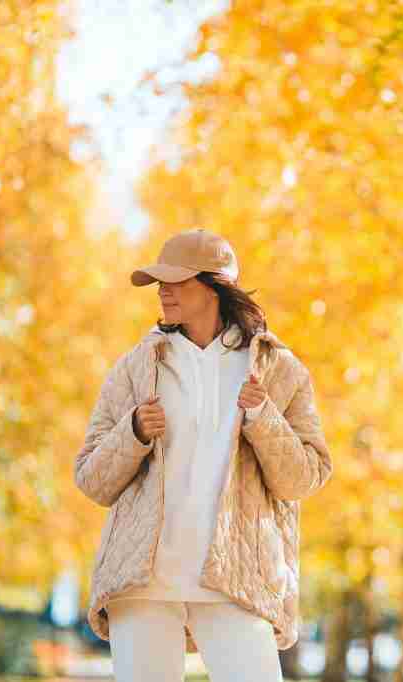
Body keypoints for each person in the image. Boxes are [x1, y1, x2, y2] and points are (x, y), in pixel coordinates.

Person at [74, 228, 333, 681]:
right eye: (159, 282)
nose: (163, 291)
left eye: (176, 280)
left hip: (236, 578)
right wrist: (132, 431)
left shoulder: (276, 369)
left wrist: (263, 418)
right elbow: (91, 479)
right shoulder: (137, 366)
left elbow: (304, 478)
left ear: (215, 286)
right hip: (142, 584)